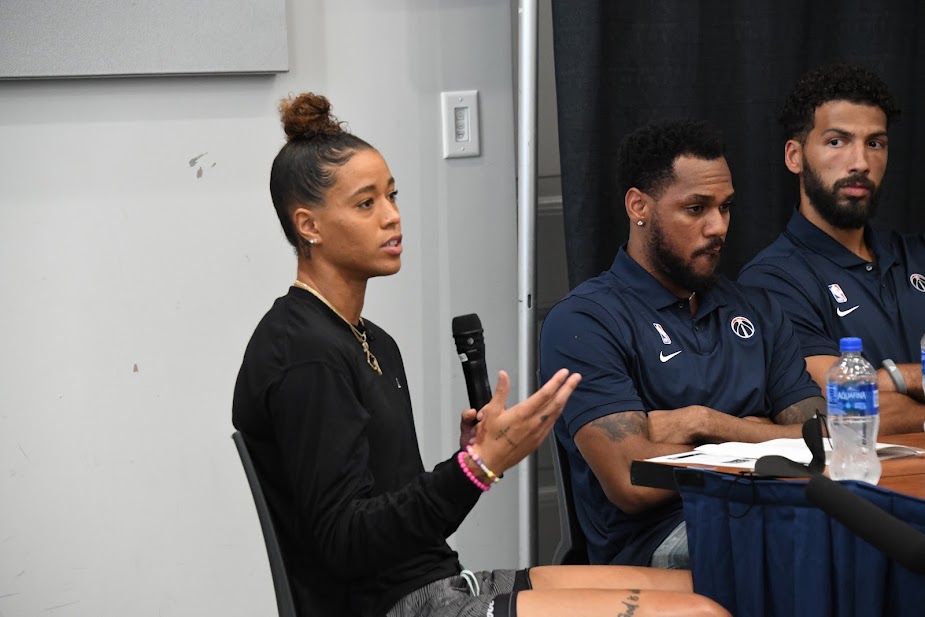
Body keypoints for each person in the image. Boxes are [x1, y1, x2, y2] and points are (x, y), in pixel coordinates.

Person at [231, 94, 728, 617]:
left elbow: (403, 518)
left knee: (702, 587)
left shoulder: (371, 340)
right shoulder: (304, 353)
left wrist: (469, 460)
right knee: (698, 616)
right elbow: (347, 542)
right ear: (308, 226)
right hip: (391, 606)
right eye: (366, 204)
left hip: (440, 579)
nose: (393, 218)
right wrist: (479, 465)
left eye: (392, 196)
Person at [538, 119, 824, 570]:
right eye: (696, 209)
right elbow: (633, 479)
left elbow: (821, 442)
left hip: (776, 506)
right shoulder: (583, 320)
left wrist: (704, 424)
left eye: (726, 208)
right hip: (659, 543)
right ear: (639, 206)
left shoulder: (758, 309)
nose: (718, 227)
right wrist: (765, 435)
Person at [738, 64, 925, 434]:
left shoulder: (916, 253)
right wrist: (916, 377)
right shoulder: (772, 279)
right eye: (837, 141)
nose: (860, 163)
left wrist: (884, 385)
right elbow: (831, 396)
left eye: (875, 143)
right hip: (861, 485)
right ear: (795, 156)